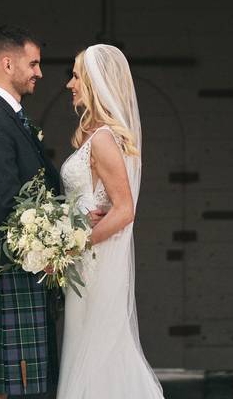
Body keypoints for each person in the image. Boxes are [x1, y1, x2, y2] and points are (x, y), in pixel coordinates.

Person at [56, 44, 164, 399]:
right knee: (88, 349)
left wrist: (78, 242)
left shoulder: (103, 140)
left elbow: (124, 209)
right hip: (84, 263)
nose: (70, 84)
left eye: (76, 76)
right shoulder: (96, 134)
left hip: (93, 262)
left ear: (95, 82)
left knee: (99, 351)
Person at [0, 25, 62, 398]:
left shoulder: (7, 116)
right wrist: (51, 246)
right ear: (7, 63)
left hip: (20, 266)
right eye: (33, 63)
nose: (39, 72)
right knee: (10, 385)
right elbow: (7, 201)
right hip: (9, 266)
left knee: (14, 385)